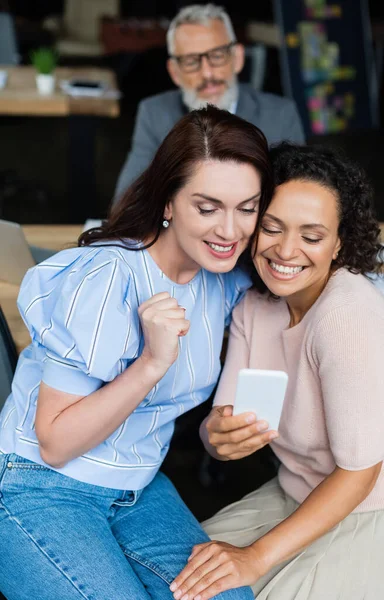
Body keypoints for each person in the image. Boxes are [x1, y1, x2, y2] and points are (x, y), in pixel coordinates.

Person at [0, 105, 275, 600]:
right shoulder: (105, 278)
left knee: (231, 597)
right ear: (167, 202)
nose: (231, 231)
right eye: (207, 207)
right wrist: (151, 363)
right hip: (41, 485)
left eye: (248, 208)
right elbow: (55, 442)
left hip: (139, 487)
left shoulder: (225, 277)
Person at [170, 143, 384, 600]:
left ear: (340, 242)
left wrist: (255, 557)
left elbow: (359, 475)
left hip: (375, 508)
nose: (286, 251)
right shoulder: (255, 305)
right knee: (173, 577)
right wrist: (216, 436)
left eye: (312, 237)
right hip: (291, 492)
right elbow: (225, 421)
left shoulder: (347, 317)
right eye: (271, 228)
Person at [114, 3, 305, 202]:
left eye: (217, 56)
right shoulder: (154, 113)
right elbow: (126, 200)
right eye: (191, 61)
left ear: (237, 58)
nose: (207, 73)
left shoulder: (280, 115)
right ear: (174, 72)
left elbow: (297, 201)